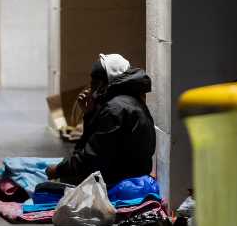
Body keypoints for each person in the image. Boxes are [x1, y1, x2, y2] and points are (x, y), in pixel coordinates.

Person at [45, 54, 157, 187]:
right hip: (132, 176)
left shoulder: (114, 109)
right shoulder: (128, 100)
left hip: (121, 182)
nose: (90, 88)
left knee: (48, 186)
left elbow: (89, 159)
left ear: (103, 84)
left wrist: (57, 170)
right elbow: (95, 148)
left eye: (93, 83)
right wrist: (89, 114)